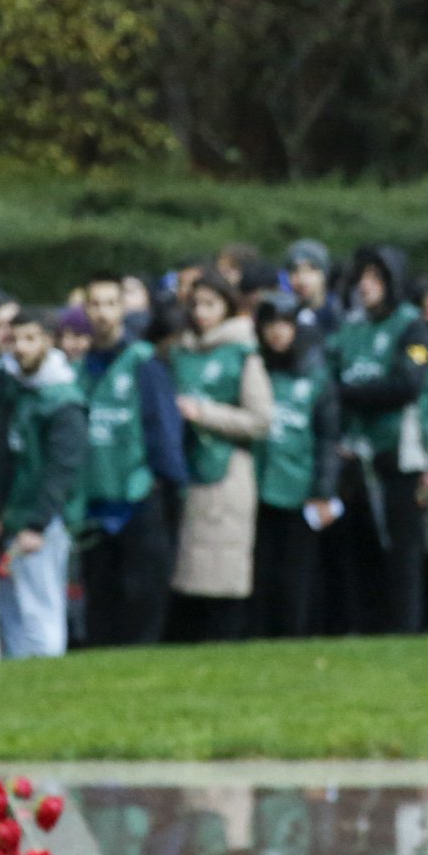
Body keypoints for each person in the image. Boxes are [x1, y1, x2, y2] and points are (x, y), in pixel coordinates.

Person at [325, 248, 428, 633]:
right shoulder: (349, 329)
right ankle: (366, 626)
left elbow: (408, 384)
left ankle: (403, 626)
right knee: (360, 547)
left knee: (402, 548)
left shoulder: (412, 327)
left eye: (376, 277)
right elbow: (328, 383)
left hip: (397, 453)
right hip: (355, 453)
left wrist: (352, 393)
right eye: (362, 277)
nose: (366, 285)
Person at [72, 282, 184, 648]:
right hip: (94, 498)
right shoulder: (79, 368)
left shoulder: (143, 361)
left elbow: (162, 425)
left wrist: (161, 480)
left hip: (138, 495)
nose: (102, 312)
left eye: (110, 303)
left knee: (141, 594)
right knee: (100, 596)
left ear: (123, 309)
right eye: (94, 304)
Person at [163, 272, 271, 642]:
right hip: (188, 469)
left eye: (210, 304)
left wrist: (204, 413)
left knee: (224, 569)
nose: (202, 312)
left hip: (228, 470)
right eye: (196, 304)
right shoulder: (180, 352)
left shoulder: (242, 352)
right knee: (189, 568)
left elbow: (261, 419)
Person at [0, 309, 86, 658]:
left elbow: (62, 469)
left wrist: (38, 523)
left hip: (41, 521)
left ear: (48, 340)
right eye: (16, 339)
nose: (22, 348)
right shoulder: (13, 389)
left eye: (31, 339)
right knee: (12, 610)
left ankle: (48, 679)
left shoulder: (62, 398)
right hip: (14, 515)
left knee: (40, 608)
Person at [247, 291, 340, 639]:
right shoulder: (254, 369)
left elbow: (328, 438)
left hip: (299, 486)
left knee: (295, 574)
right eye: (271, 324)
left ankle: (294, 637)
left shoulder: (315, 376)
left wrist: (324, 491)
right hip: (258, 483)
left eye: (285, 324)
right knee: (261, 570)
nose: (278, 333)